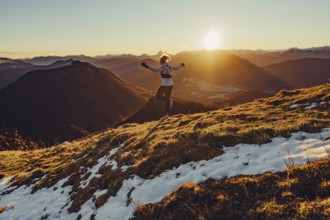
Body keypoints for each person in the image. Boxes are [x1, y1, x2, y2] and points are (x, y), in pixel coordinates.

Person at [141, 54, 185, 118]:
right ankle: (166, 114)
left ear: (161, 61)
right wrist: (181, 65)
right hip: (170, 85)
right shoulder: (168, 66)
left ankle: (169, 103)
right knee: (166, 99)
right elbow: (176, 68)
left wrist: (146, 66)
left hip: (165, 85)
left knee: (158, 96)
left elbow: (155, 70)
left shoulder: (163, 67)